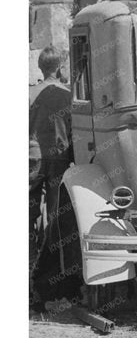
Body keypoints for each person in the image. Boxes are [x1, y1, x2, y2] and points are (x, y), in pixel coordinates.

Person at [30, 47, 72, 276]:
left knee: (28, 209)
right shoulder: (68, 95)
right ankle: (53, 264)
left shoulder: (29, 94)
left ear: (40, 67)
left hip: (32, 157)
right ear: (60, 68)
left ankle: (29, 259)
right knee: (56, 211)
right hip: (59, 158)